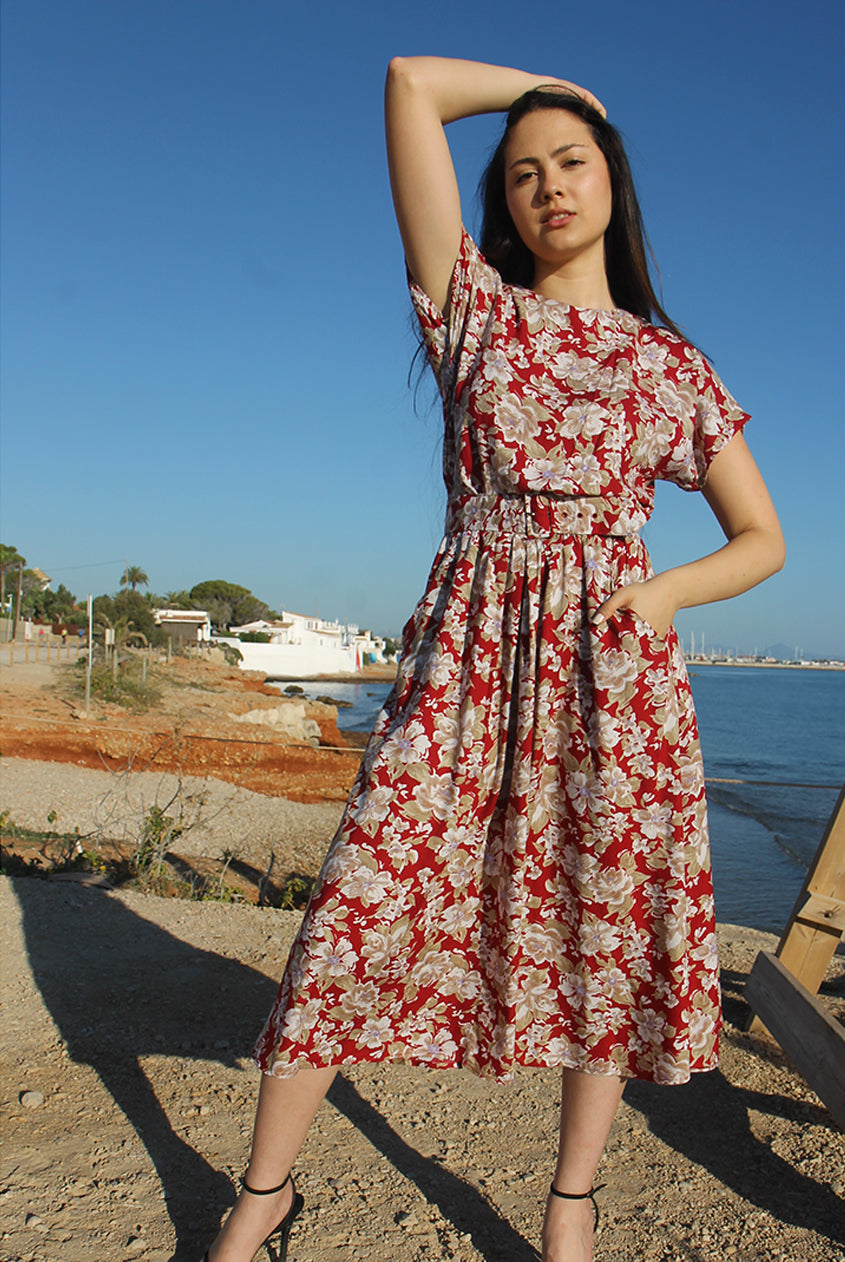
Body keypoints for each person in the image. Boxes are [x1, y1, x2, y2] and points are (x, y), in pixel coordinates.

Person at [203, 56, 785, 1262]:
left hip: (610, 676)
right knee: (355, 910)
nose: (547, 185)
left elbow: (760, 540)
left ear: (612, 184)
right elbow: (409, 83)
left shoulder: (671, 366)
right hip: (465, 659)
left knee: (602, 933)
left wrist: (663, 591)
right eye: (521, 172)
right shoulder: (471, 308)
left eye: (571, 160)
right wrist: (547, 85)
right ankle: (260, 1196)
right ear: (502, 204)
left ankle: (566, 1207)